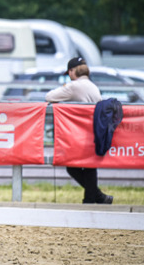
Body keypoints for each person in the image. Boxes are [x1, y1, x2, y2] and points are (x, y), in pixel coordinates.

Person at [45, 56, 113, 204]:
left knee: (73, 167)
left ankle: (94, 198)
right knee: (89, 167)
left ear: (72, 71)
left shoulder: (74, 86)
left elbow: (49, 96)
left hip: (80, 134)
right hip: (95, 132)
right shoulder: (93, 86)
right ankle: (94, 198)